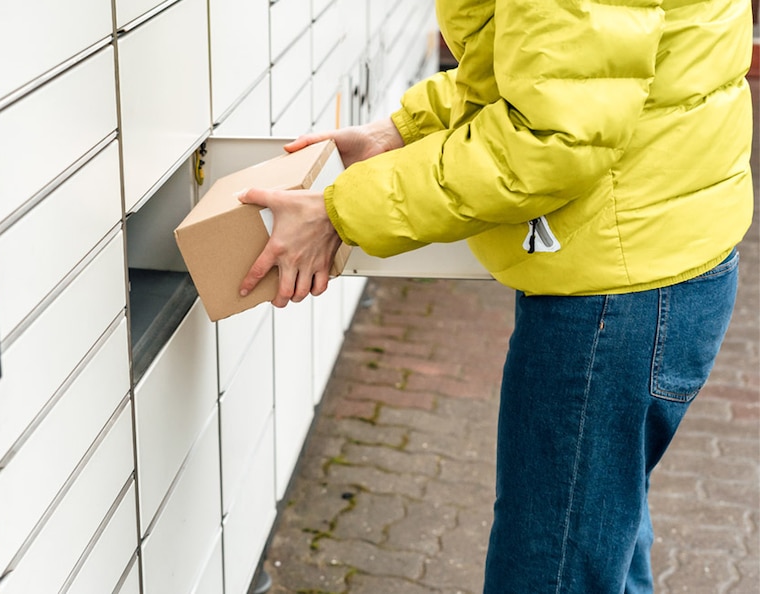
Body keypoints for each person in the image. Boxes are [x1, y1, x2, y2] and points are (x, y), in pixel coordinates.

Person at [237, 0, 755, 591]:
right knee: (599, 540)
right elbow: (557, 68)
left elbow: (548, 140)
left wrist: (342, 213)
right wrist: (401, 130)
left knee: (550, 569)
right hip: (646, 268)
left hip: (615, 302)